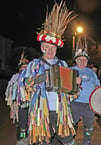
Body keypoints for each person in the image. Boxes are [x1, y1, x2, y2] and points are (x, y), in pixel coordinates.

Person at [22, 1, 78, 144]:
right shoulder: (34, 65)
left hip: (61, 111)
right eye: (46, 47)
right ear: (42, 48)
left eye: (52, 47)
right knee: (43, 141)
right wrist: (40, 78)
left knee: (67, 140)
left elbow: (71, 93)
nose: (50, 50)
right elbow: (24, 87)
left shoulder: (63, 64)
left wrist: (76, 85)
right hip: (42, 111)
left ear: (56, 49)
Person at [70, 48, 100, 145]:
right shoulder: (70, 70)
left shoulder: (91, 72)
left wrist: (97, 88)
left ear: (87, 61)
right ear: (76, 60)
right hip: (75, 102)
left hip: (89, 104)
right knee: (72, 124)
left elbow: (97, 84)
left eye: (85, 60)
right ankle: (70, 141)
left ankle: (87, 142)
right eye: (80, 60)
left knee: (89, 126)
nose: (82, 62)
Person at [5, 51, 29, 145]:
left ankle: (28, 138)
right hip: (20, 103)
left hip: (31, 103)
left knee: (29, 121)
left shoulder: (30, 77)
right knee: (22, 121)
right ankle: (21, 139)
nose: (24, 69)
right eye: (23, 67)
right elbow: (10, 88)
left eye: (26, 67)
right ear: (19, 68)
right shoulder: (16, 77)